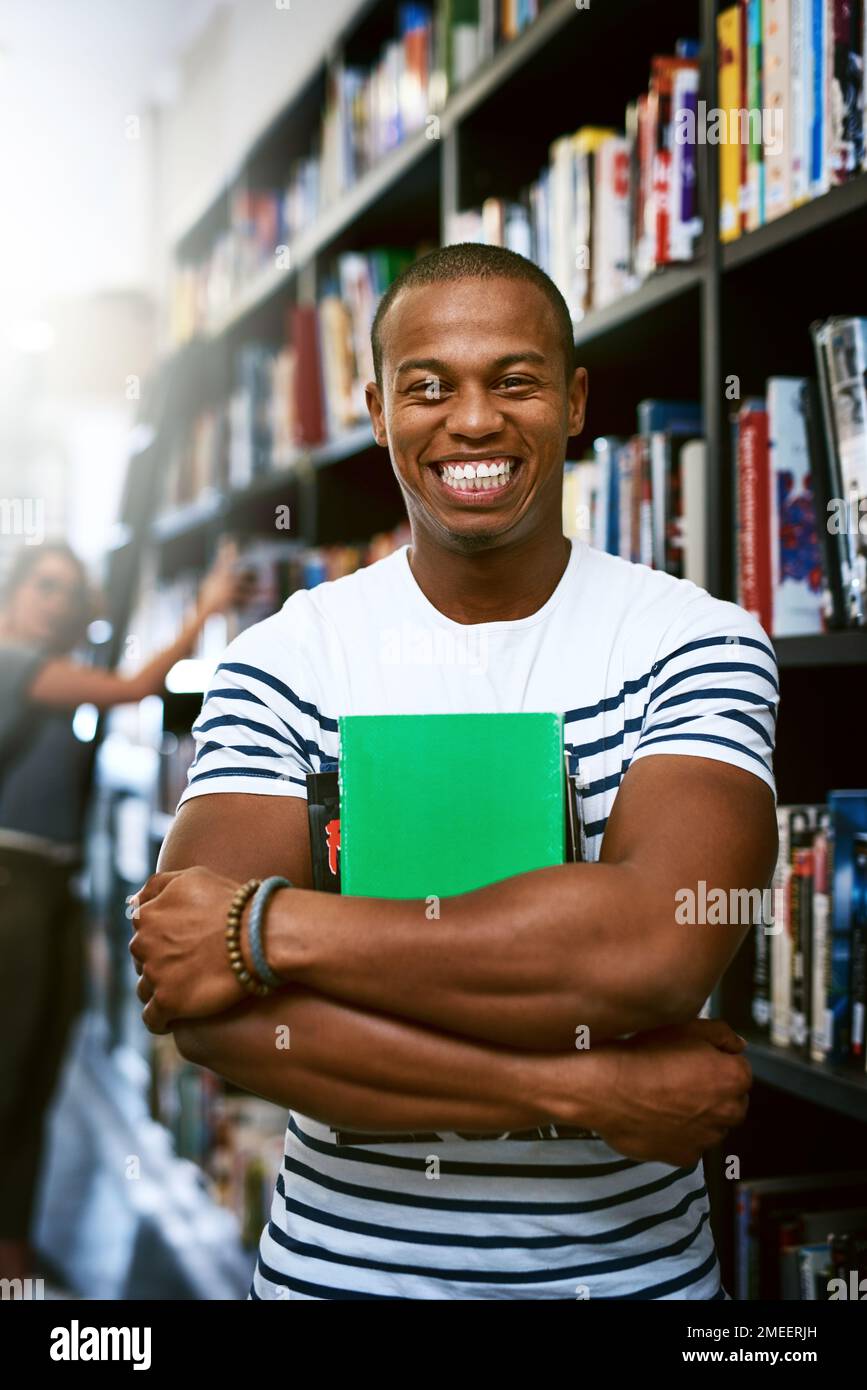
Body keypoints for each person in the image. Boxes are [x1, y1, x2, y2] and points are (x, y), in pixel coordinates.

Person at [130, 244, 779, 1301]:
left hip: (627, 1286)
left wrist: (266, 929)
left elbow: (651, 949)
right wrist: (582, 1087)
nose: (471, 421)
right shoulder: (283, 659)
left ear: (573, 402)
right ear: (377, 406)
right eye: (427, 387)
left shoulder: (695, 643)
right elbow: (207, 1008)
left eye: (513, 380)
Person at [0, 537, 253, 1283]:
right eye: (43, 586)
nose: (57, 603)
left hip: (48, 891)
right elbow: (140, 686)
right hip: (10, 890)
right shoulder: (15, 661)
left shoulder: (55, 662)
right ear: (12, 593)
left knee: (35, 1076)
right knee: (11, 1078)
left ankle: (10, 1248)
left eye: (70, 593)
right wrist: (203, 610)